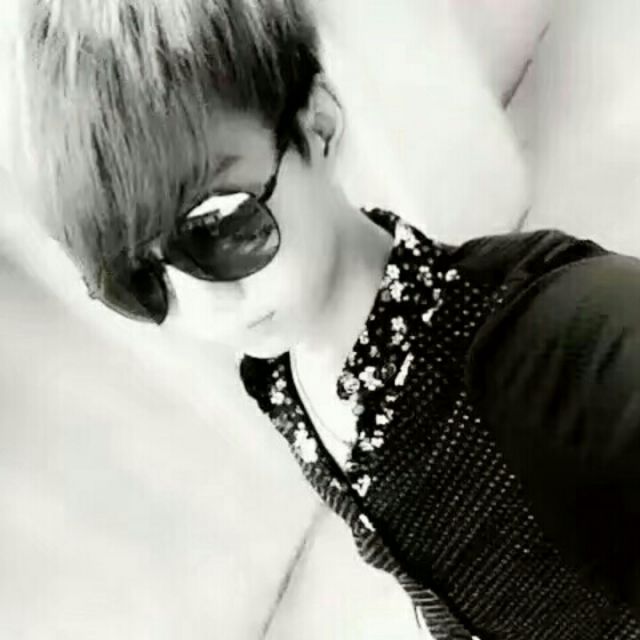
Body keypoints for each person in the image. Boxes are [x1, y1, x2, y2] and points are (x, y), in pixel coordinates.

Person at [15, 1, 640, 638]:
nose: (200, 303)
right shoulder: (286, 381)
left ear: (318, 125)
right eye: (137, 280)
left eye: (218, 227)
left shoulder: (540, 337)